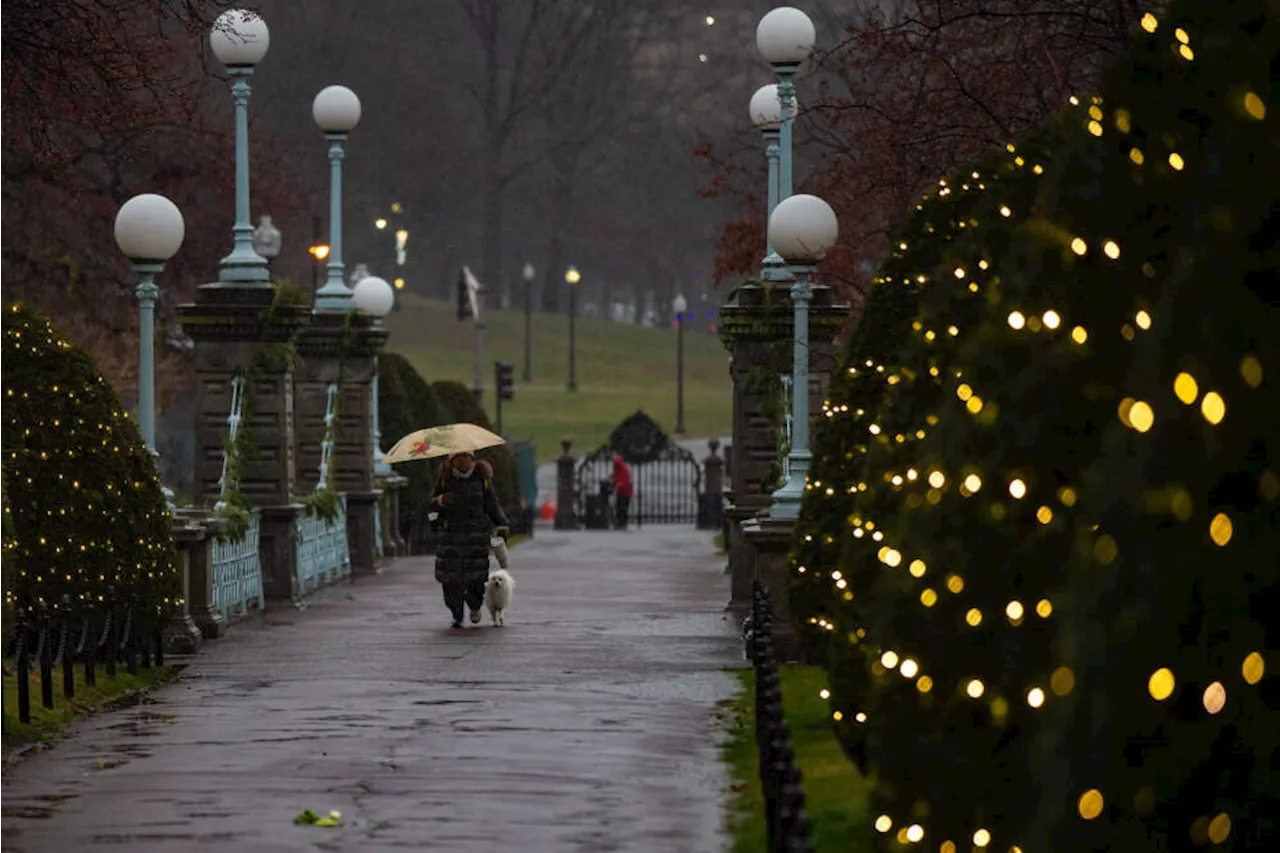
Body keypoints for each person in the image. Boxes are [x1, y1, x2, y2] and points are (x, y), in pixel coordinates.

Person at [430, 451, 509, 628]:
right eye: (458, 458)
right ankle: (456, 613)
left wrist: (502, 525)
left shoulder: (482, 478)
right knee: (450, 581)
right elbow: (431, 503)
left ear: (472, 459)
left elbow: (492, 504)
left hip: (476, 537)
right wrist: (440, 500)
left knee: (476, 578)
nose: (463, 462)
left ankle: (474, 605)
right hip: (450, 537)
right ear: (452, 461)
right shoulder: (445, 479)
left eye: (466, 458)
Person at [611, 453, 633, 530]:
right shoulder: (616, 469)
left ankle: (623, 523)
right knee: (618, 506)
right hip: (620, 492)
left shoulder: (625, 469)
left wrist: (616, 485)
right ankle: (619, 522)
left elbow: (625, 481)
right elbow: (614, 476)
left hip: (626, 491)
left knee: (623, 507)